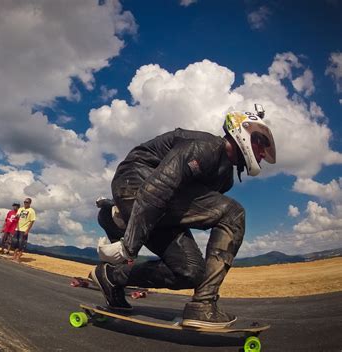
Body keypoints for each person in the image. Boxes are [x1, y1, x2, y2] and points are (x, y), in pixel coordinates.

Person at [92, 104, 276, 329]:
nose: (263, 154)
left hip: (161, 208)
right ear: (243, 132)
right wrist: (129, 246)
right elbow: (158, 188)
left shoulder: (225, 179)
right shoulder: (204, 147)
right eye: (261, 143)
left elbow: (197, 212)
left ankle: (112, 276)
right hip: (136, 184)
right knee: (233, 213)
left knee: (190, 272)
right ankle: (203, 305)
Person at [12, 198, 36, 262]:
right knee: (15, 243)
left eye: (27, 202)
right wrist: (16, 217)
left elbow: (32, 221)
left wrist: (27, 230)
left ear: (30, 203)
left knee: (21, 244)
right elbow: (17, 215)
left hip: (24, 229)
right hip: (18, 228)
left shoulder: (31, 211)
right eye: (24, 202)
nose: (25, 203)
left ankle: (18, 257)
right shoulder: (20, 209)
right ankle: (14, 256)